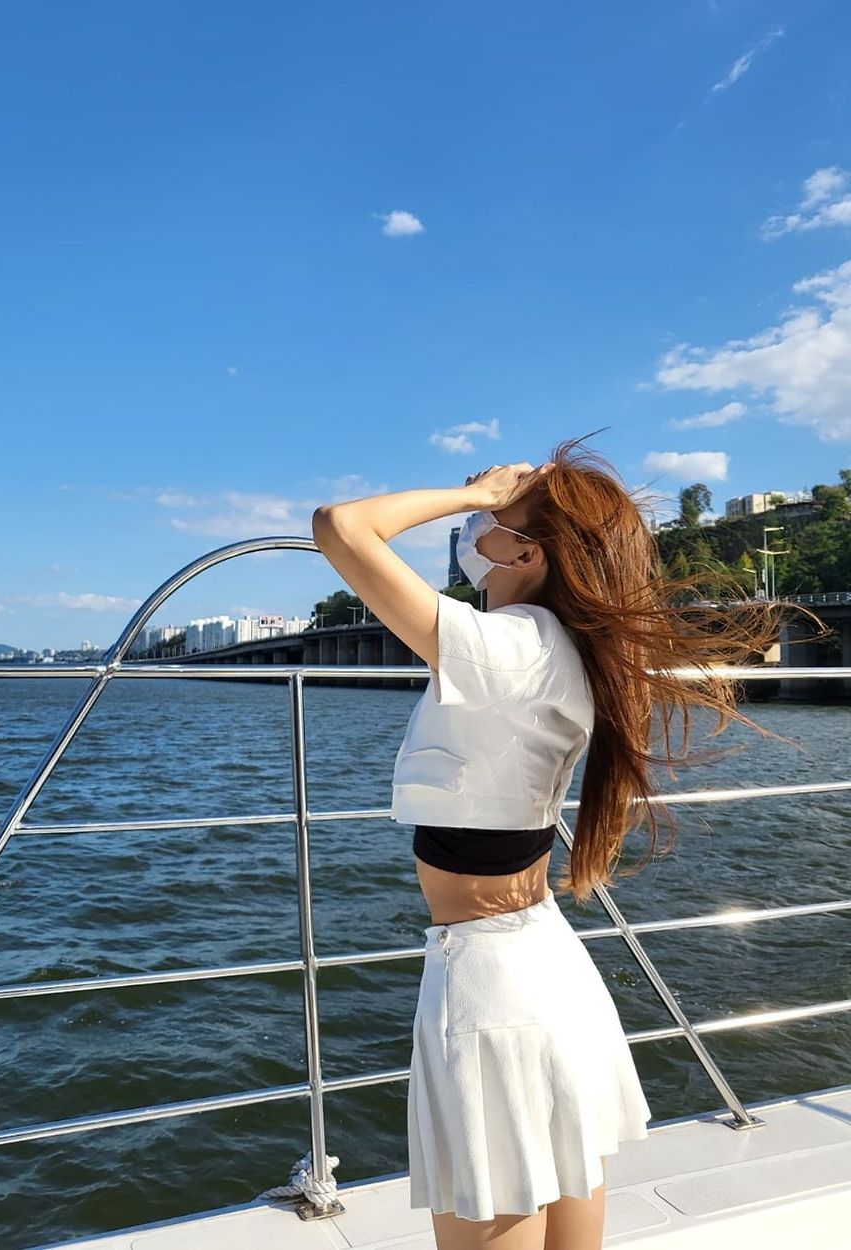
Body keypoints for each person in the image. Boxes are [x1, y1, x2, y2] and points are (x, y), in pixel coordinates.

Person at [311, 435, 795, 1250]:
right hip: (545, 965)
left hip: (492, 991)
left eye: (496, 521)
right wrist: (494, 506)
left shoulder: (505, 649)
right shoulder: (559, 649)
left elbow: (341, 526)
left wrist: (473, 494)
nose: (478, 531)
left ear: (527, 553)